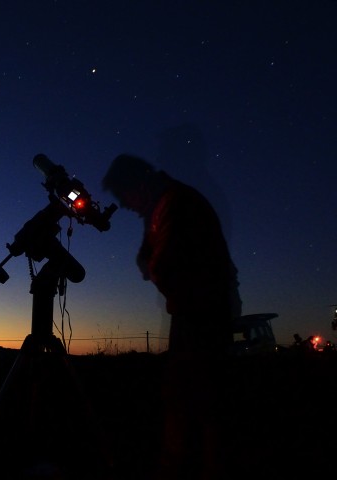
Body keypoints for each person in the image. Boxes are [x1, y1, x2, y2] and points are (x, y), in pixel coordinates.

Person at [102, 154, 242, 479]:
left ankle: (188, 466)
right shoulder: (165, 203)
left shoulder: (177, 204)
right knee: (192, 402)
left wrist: (153, 266)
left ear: (139, 183)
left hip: (202, 317)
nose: (123, 205)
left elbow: (165, 265)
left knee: (194, 404)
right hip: (197, 313)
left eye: (124, 196)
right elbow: (153, 253)